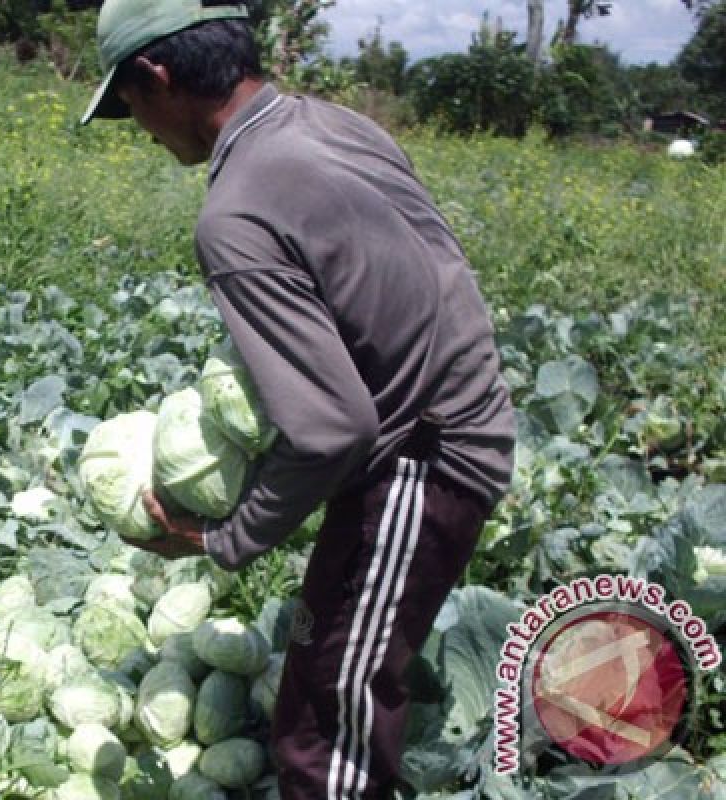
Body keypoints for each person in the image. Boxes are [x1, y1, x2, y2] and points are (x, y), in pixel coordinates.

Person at [80, 1, 517, 798]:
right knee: (331, 675)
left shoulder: (234, 210)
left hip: (423, 463)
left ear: (158, 76)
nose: (135, 127)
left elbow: (331, 430)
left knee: (327, 727)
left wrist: (222, 539)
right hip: (455, 421)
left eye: (127, 105)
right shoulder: (333, 125)